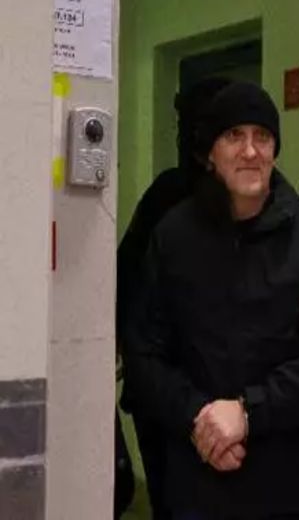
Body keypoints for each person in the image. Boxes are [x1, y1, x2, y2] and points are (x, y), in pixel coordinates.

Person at [124, 81, 299, 519]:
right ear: (210, 154)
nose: (250, 151)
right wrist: (197, 418)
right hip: (196, 477)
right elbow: (144, 349)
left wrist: (250, 412)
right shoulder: (174, 236)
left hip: (287, 483)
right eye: (234, 136)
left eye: (263, 137)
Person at [117, 76, 232, 520]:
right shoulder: (167, 196)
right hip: (164, 389)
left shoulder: (254, 197)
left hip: (220, 394)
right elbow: (127, 274)